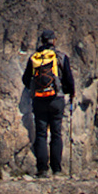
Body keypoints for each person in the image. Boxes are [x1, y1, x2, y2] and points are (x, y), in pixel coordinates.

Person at [22, 28, 76, 177]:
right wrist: (69, 92)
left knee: (41, 134)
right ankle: (57, 169)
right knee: (56, 133)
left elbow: (25, 80)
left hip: (39, 100)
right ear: (54, 40)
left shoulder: (34, 58)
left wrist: (35, 89)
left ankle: (42, 169)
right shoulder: (61, 57)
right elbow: (69, 80)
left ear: (42, 40)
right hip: (56, 100)